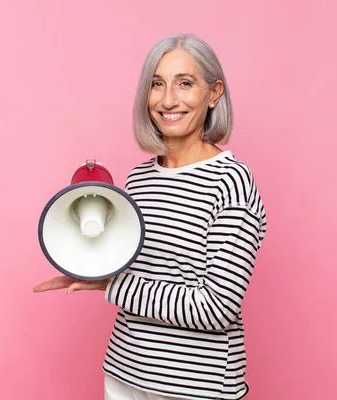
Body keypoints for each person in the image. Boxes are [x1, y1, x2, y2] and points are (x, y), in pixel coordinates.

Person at [34, 33, 267, 400]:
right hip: (125, 375)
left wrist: (112, 288)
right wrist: (92, 266)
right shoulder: (139, 178)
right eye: (157, 84)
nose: (168, 99)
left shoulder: (231, 181)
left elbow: (216, 308)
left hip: (197, 388)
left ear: (214, 93)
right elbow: (145, 272)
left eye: (185, 84)